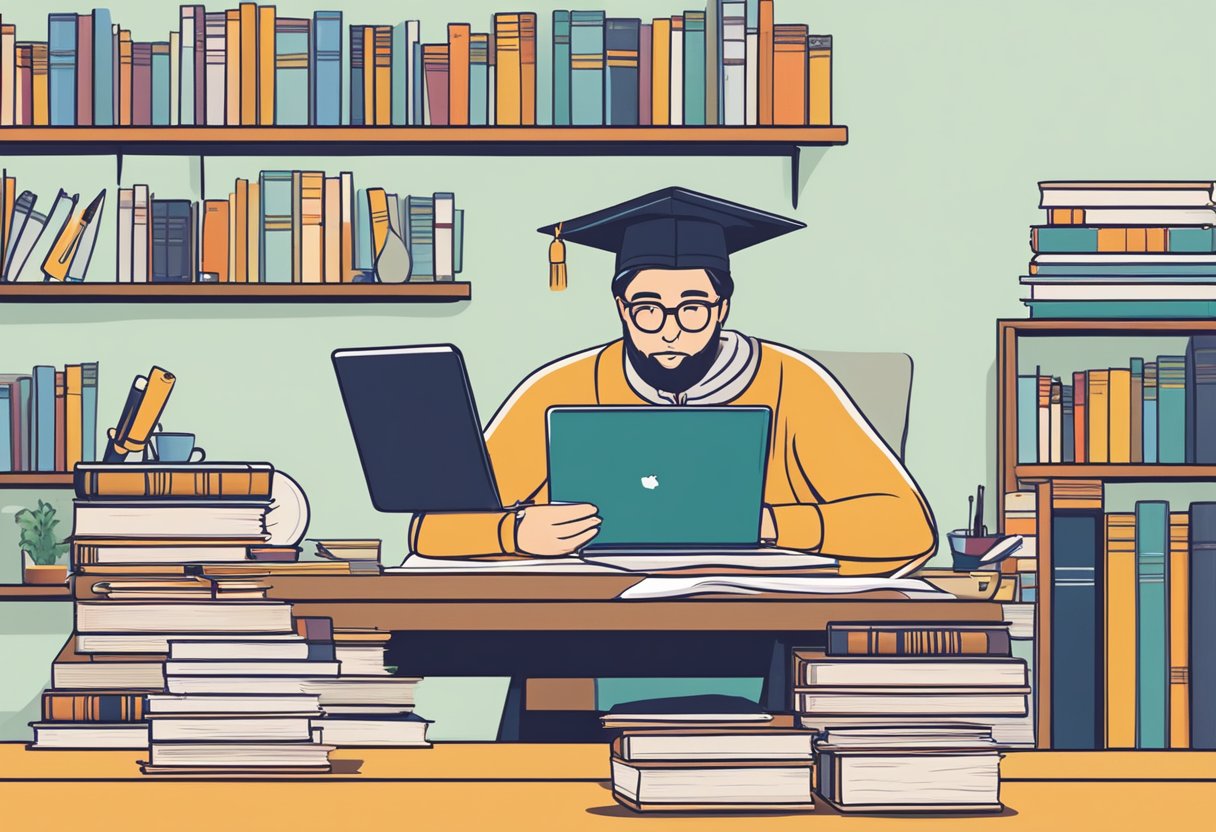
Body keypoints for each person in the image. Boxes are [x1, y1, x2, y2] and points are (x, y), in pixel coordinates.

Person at [410, 187, 936, 577]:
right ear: (620, 306)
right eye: (647, 309)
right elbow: (432, 527)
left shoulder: (791, 384)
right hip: (591, 625)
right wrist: (516, 533)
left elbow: (908, 524)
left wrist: (770, 525)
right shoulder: (559, 389)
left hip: (758, 624)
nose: (669, 331)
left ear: (723, 306)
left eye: (692, 308)